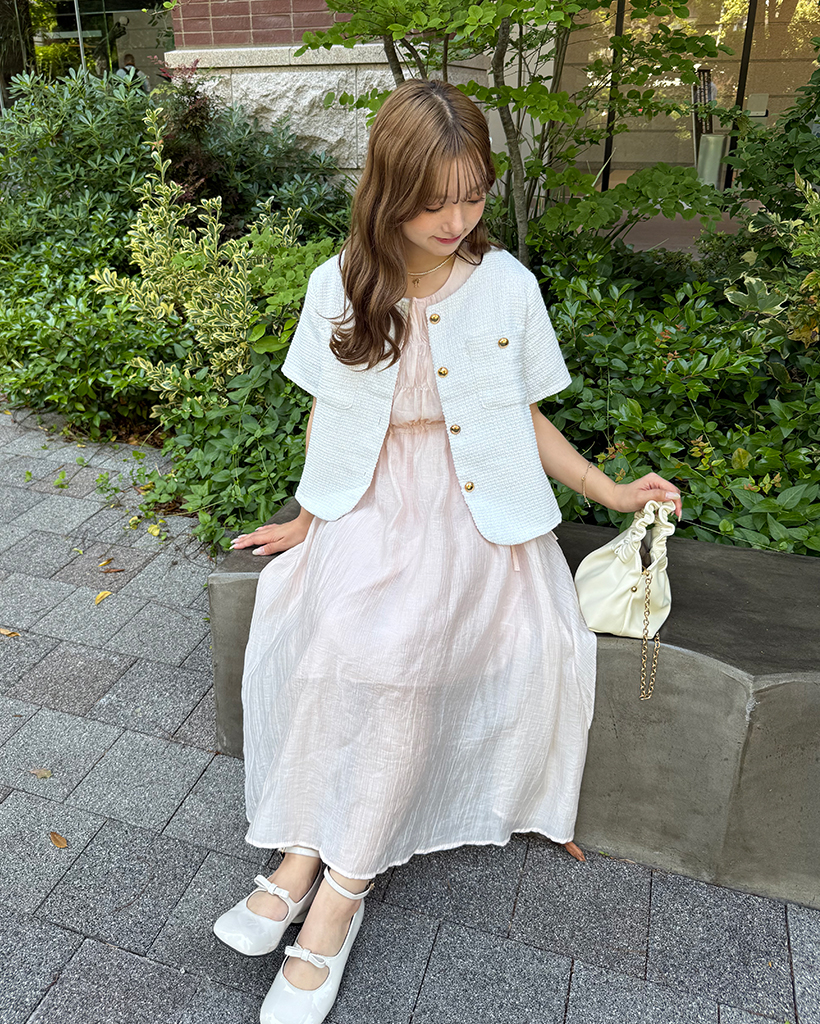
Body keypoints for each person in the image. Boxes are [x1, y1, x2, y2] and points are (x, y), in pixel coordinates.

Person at [212, 79, 683, 1024]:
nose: (455, 219)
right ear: (388, 190)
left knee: (398, 656)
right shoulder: (341, 281)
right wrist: (307, 516)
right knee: (331, 637)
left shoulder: (506, 284)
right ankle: (302, 854)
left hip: (476, 516)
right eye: (433, 201)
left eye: (472, 196)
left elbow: (525, 415)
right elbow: (329, 412)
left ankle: (336, 897)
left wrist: (608, 492)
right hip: (371, 500)